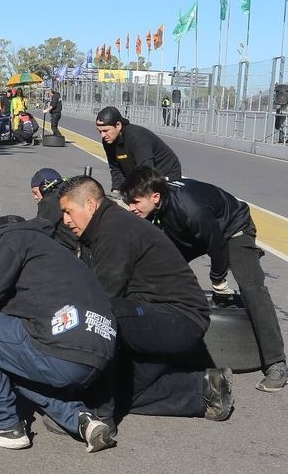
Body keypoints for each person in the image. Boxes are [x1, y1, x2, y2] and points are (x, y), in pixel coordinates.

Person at [57, 176, 234, 422]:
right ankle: (203, 389)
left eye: (68, 212)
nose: (65, 221)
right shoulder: (104, 226)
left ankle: (96, 412)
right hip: (155, 315)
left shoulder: (114, 230)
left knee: (97, 319)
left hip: (178, 320)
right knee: (120, 389)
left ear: (90, 204)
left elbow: (103, 297)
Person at [0, 215, 117, 452]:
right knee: (11, 359)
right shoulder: (56, 256)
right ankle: (82, 420)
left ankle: (5, 426)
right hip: (98, 357)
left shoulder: (13, 237)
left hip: (62, 349)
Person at [121, 168, 288, 392]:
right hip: (189, 229)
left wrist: (218, 279)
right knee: (156, 271)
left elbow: (217, 245)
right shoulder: (160, 200)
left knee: (251, 286)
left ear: (155, 197)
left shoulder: (191, 209)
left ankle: (276, 363)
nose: (130, 208)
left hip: (232, 229)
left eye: (135, 202)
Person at [95, 106, 182, 196]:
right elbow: (115, 167)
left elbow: (146, 171)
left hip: (165, 172)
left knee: (149, 202)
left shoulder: (137, 138)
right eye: (99, 131)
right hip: (141, 173)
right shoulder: (108, 140)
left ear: (118, 125)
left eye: (106, 130)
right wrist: (117, 191)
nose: (102, 135)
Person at [30, 168, 78, 253]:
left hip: (72, 254)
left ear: (44, 188)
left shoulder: (50, 200)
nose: (35, 197)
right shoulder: (68, 194)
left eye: (35, 193)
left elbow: (39, 230)